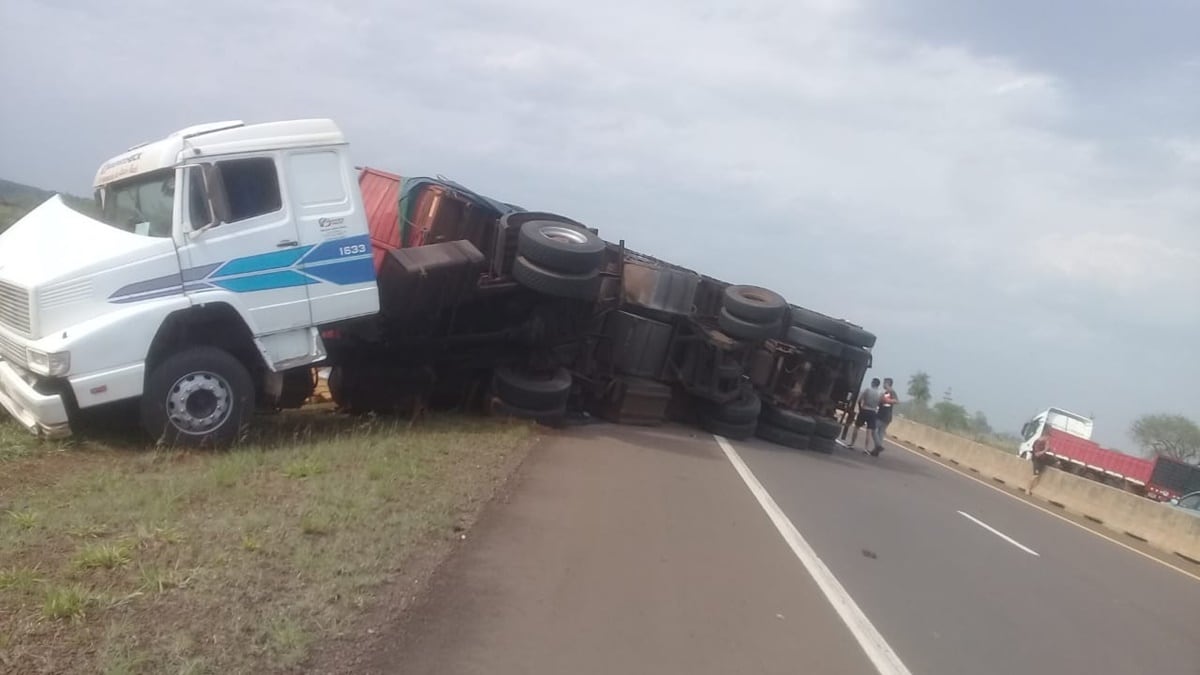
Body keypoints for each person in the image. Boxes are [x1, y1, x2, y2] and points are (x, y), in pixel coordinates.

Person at [842, 378, 882, 452]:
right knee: (869, 431)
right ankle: (866, 448)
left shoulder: (867, 390)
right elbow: (879, 403)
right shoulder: (880, 393)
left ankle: (852, 444)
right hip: (873, 412)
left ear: (873, 383)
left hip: (864, 409)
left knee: (856, 427)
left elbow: (859, 400)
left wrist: (861, 409)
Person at [871, 378, 898, 456]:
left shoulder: (891, 392)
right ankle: (876, 450)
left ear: (887, 383)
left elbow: (896, 401)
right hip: (883, 414)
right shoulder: (886, 392)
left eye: (884, 383)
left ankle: (878, 446)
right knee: (880, 433)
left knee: (874, 429)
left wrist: (886, 401)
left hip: (884, 415)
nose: (883, 384)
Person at [1027, 425, 1054, 493]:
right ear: (1046, 436)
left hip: (1040, 460)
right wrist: (1045, 450)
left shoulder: (1040, 441)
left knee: (1037, 475)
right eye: (1048, 437)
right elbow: (1038, 453)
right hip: (1037, 460)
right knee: (1035, 475)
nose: (1048, 438)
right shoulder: (1040, 442)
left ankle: (1029, 488)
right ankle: (1028, 489)